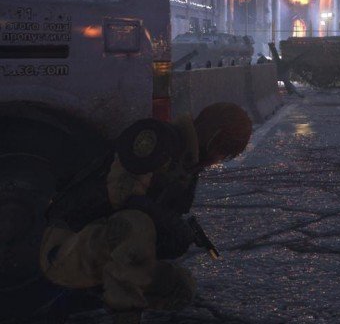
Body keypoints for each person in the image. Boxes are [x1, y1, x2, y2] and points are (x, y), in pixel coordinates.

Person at [39, 103, 253, 324]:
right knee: (135, 223)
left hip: (101, 250)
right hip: (66, 247)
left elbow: (162, 230)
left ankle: (97, 292)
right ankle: (126, 316)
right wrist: (170, 223)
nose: (218, 159)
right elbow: (124, 199)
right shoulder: (157, 139)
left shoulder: (187, 165)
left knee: (180, 288)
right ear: (213, 137)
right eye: (222, 151)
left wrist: (179, 235)